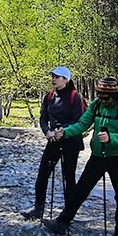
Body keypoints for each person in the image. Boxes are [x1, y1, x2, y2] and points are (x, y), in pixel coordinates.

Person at [42, 77, 118, 236]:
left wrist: (111, 138)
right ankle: (62, 222)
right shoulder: (96, 104)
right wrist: (66, 132)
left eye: (105, 97)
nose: (102, 100)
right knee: (81, 189)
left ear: (115, 94)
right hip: (98, 155)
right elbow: (82, 123)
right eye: (99, 96)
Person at [23, 67, 86, 220]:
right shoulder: (49, 96)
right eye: (52, 76)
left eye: (57, 76)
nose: (53, 79)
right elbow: (43, 117)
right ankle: (38, 208)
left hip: (71, 141)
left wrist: (62, 131)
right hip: (53, 140)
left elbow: (79, 120)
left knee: (68, 177)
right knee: (43, 174)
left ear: (66, 80)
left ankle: (68, 214)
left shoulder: (74, 96)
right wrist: (47, 132)